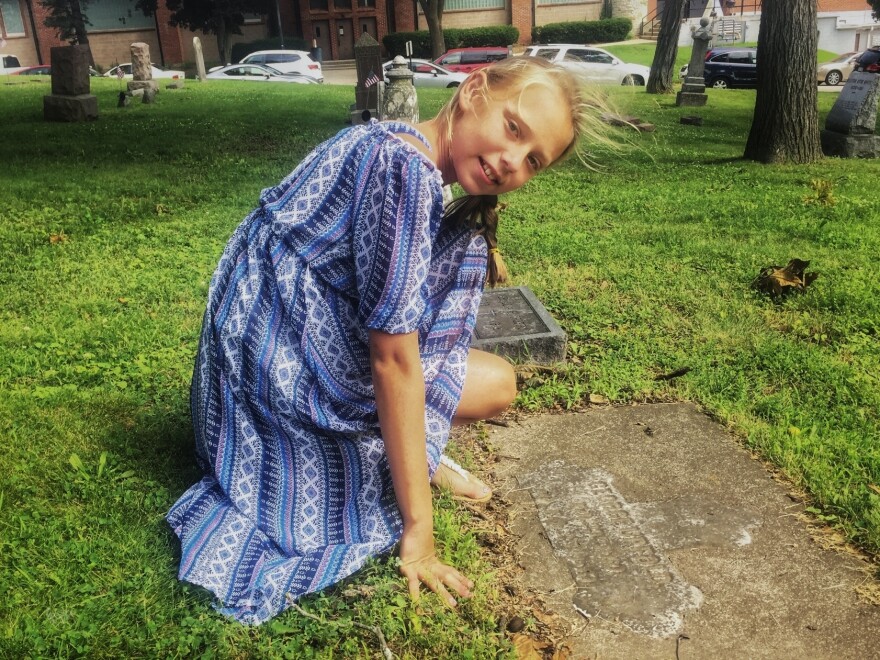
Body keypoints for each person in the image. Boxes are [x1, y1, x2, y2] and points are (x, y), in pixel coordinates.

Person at [168, 56, 606, 625]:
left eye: (532, 160)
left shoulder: (403, 147)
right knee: (484, 385)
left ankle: (412, 456)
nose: (510, 163)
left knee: (497, 382)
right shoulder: (403, 167)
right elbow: (392, 359)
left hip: (283, 352)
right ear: (474, 90)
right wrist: (418, 530)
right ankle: (405, 465)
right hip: (269, 375)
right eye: (514, 128)